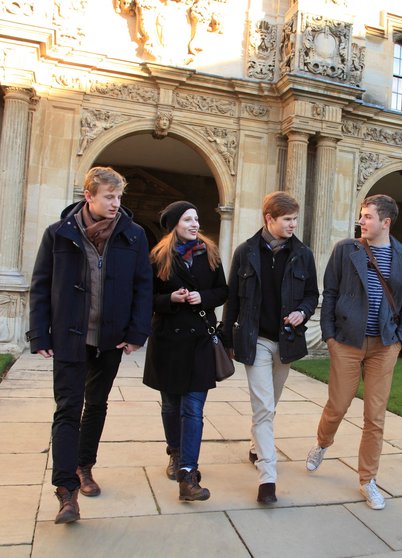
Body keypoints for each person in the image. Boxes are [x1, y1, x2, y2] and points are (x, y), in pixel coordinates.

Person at [26, 166, 153, 524]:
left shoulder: (134, 235)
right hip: (69, 336)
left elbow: (143, 287)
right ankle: (66, 492)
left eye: (119, 197)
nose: (116, 204)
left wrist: (136, 332)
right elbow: (41, 285)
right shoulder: (58, 234)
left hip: (110, 339)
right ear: (89, 197)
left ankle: (85, 467)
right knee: (68, 408)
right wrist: (39, 333)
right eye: (109, 197)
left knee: (96, 405)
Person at [306, 194, 402, 510]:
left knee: (375, 416)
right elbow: (331, 293)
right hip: (346, 342)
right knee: (338, 405)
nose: (361, 221)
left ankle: (368, 480)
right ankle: (322, 443)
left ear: (386, 222)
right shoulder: (346, 249)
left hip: (384, 345)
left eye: (367, 216)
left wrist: (399, 341)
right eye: (361, 215)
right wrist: (329, 335)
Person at [223, 191, 319, 504]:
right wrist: (227, 339)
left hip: (287, 342)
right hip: (257, 340)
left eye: (295, 219)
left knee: (271, 404)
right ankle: (268, 477)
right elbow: (233, 299)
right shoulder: (245, 252)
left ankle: (255, 446)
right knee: (263, 406)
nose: (293, 224)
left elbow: (311, 294)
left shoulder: (303, 254)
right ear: (270, 219)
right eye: (287, 219)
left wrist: (302, 312)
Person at [143, 201, 227, 502]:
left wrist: (201, 297)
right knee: (169, 405)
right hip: (167, 341)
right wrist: (171, 300)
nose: (195, 224)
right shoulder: (157, 257)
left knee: (193, 408)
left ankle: (188, 473)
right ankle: (175, 453)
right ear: (174, 224)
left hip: (199, 342)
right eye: (188, 219)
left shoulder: (210, 253)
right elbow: (146, 298)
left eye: (196, 219)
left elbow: (223, 291)